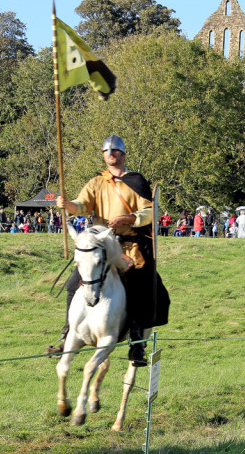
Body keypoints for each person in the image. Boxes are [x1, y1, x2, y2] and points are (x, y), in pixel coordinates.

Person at [50, 134, 170, 367]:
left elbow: (150, 211)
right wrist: (69, 206)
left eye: (115, 151)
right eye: (106, 151)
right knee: (74, 283)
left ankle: (136, 341)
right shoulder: (96, 182)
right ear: (103, 156)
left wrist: (130, 217)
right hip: (100, 245)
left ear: (123, 155)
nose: (110, 154)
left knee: (139, 284)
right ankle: (67, 333)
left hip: (128, 246)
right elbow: (83, 205)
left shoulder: (136, 182)